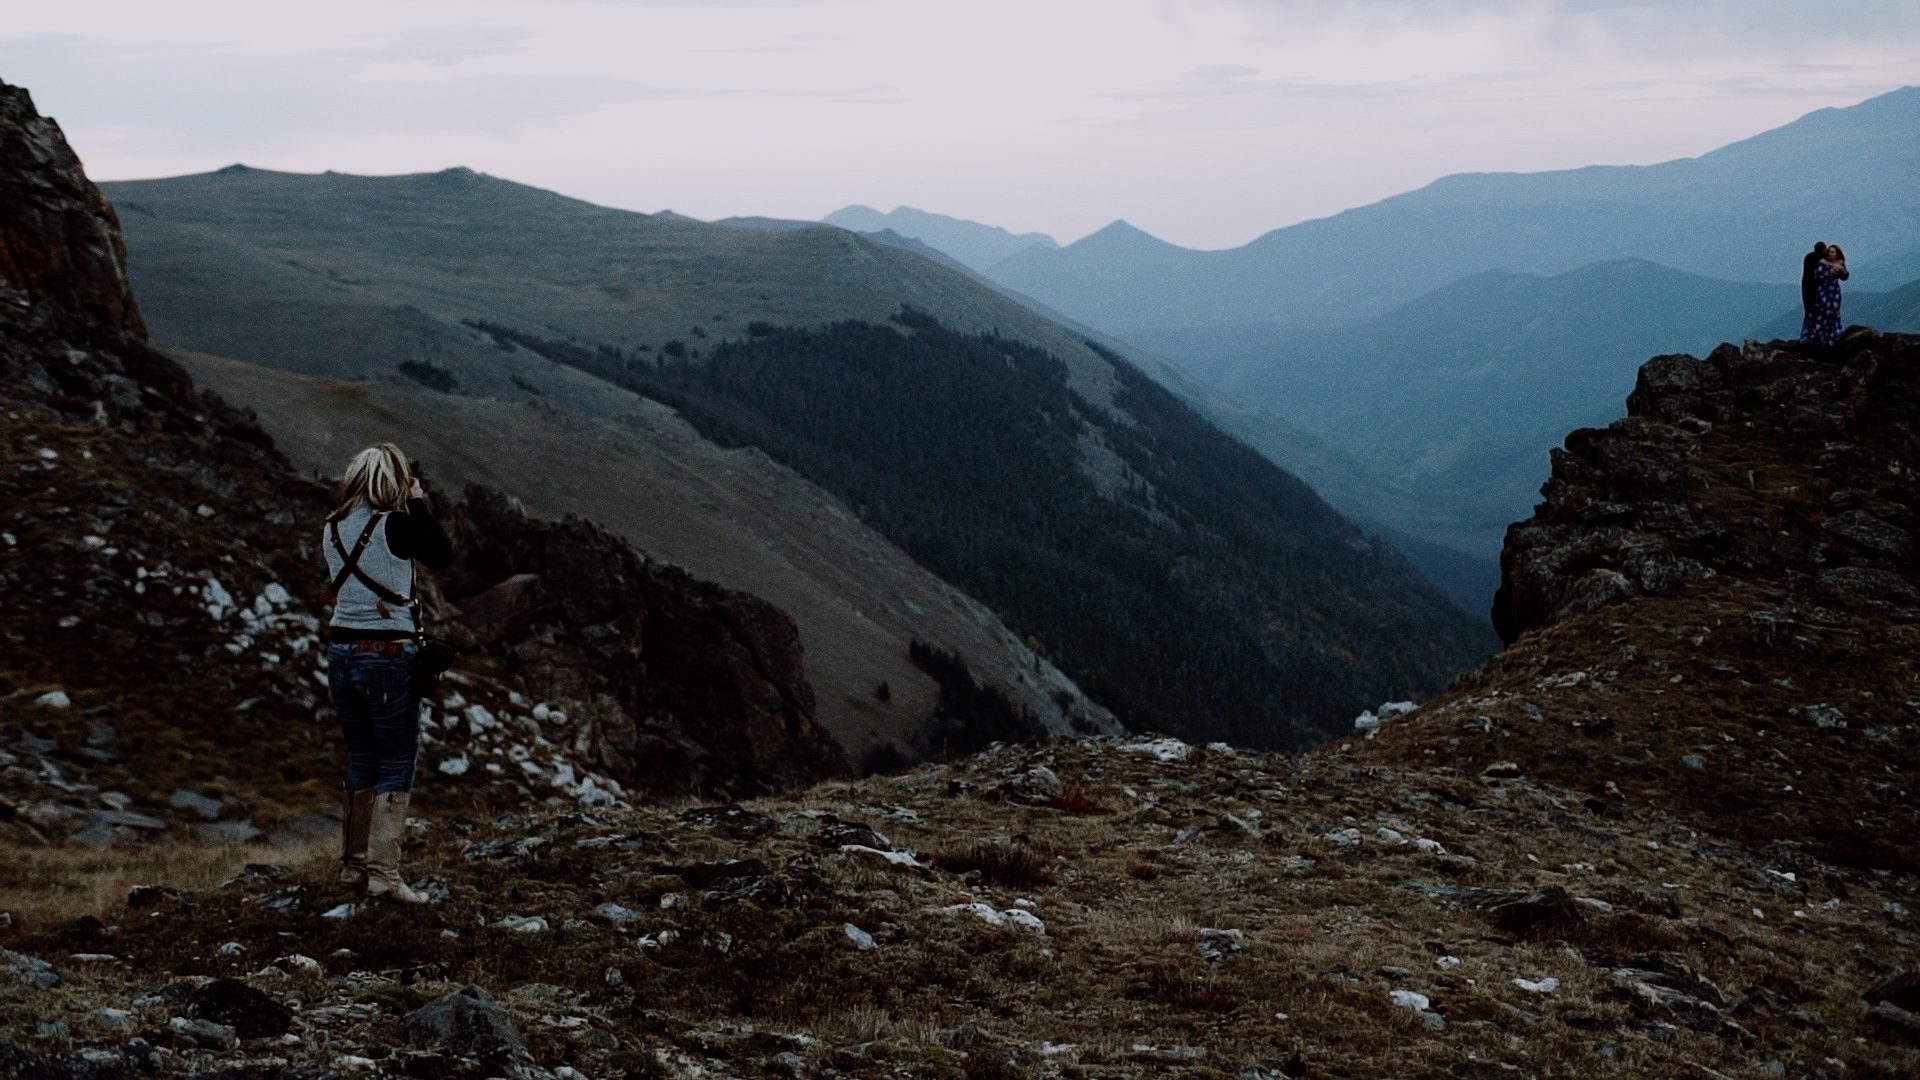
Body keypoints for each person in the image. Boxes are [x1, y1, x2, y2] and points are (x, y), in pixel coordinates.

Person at [322, 443, 453, 904]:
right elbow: (441, 551)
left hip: (341, 654)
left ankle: (353, 867)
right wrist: (416, 500)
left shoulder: (332, 527)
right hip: (387, 655)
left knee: (362, 760)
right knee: (397, 761)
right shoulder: (395, 524)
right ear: (395, 480)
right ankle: (384, 875)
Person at [1801, 244, 1849, 348]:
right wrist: (1831, 271)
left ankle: (1832, 336)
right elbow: (1818, 275)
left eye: (1833, 252)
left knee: (1834, 313)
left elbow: (1845, 276)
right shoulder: (1820, 263)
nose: (1830, 254)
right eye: (1829, 252)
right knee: (1821, 313)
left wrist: (1841, 269)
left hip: (1835, 292)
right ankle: (1818, 337)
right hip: (1824, 291)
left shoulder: (1839, 264)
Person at [1801, 242, 1829, 322]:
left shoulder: (1811, 257)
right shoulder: (1812, 258)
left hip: (1811, 287)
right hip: (1810, 287)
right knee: (1811, 310)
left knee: (1814, 310)